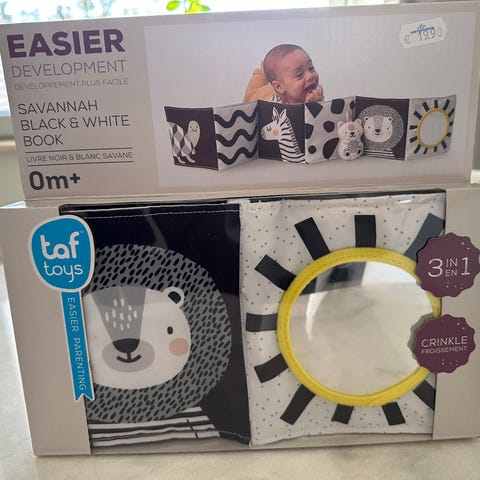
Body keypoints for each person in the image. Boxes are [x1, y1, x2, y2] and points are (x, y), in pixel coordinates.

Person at [243, 44, 324, 104]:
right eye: (299, 74)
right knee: (250, 96)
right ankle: (263, 71)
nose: (310, 75)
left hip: (278, 86)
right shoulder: (273, 105)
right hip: (259, 95)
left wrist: (317, 105)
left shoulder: (314, 96)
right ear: (279, 87)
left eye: (311, 68)